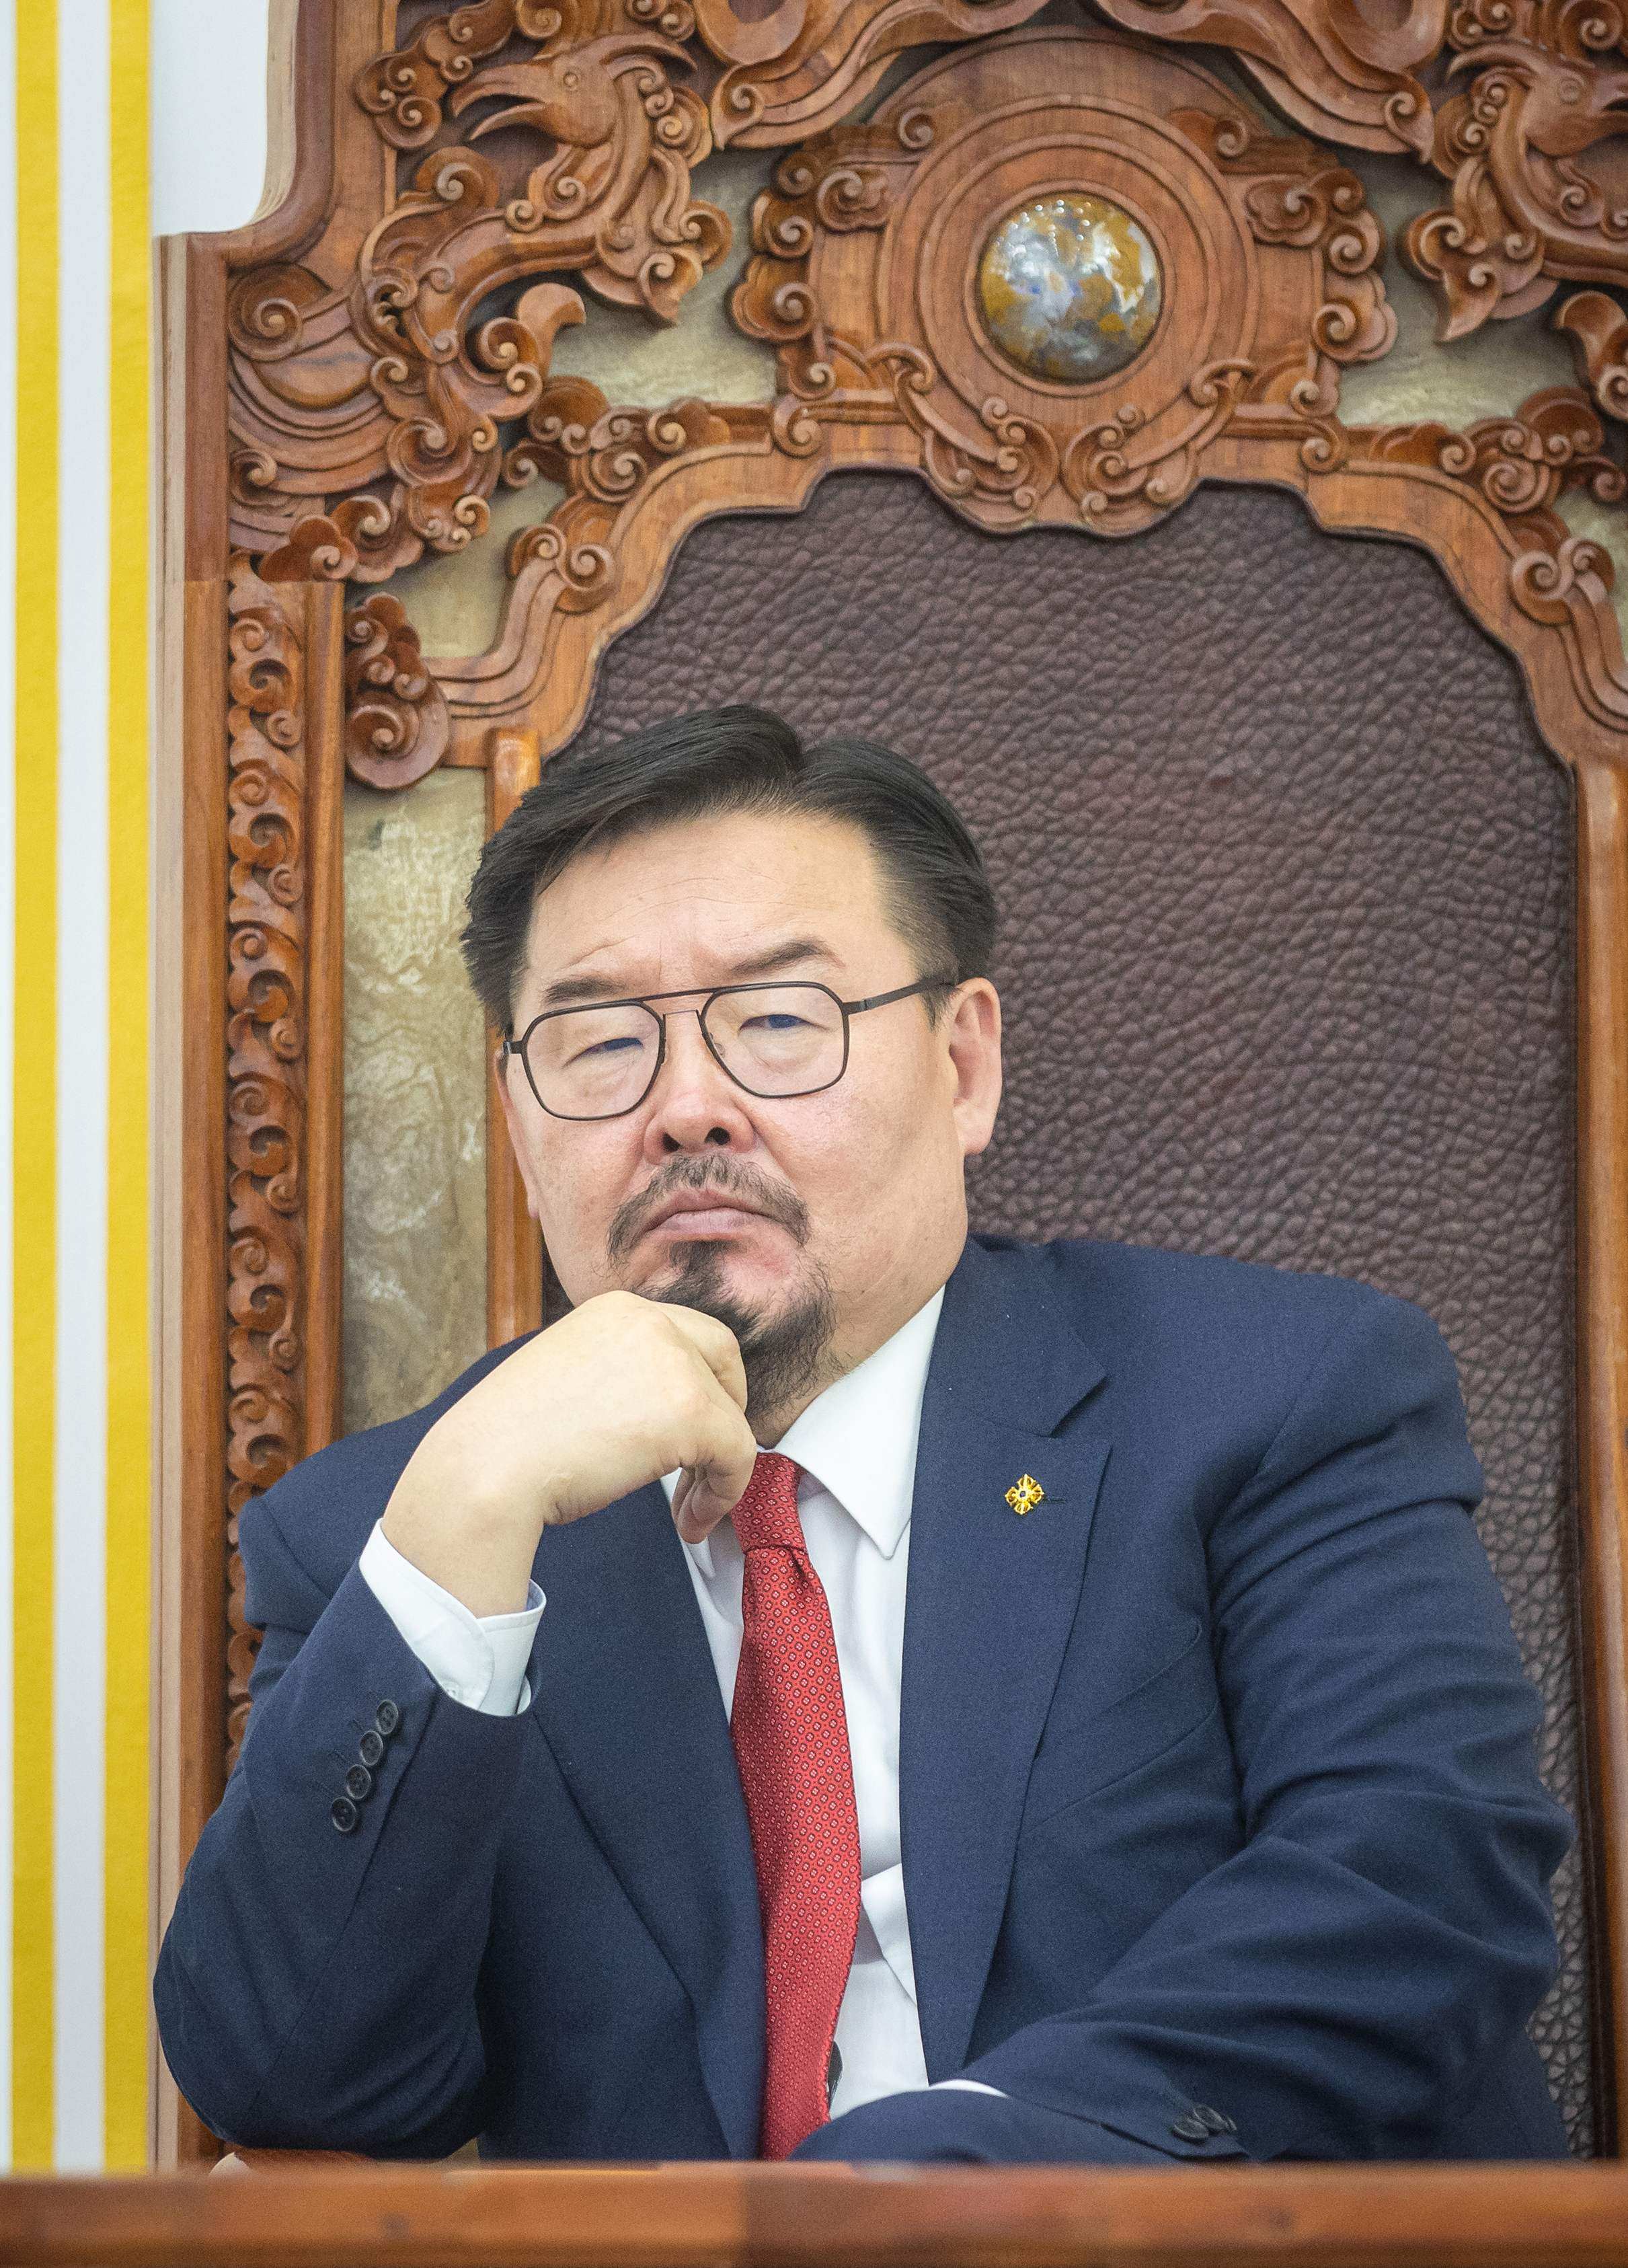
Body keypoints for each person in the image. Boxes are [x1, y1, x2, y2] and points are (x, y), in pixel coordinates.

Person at [155, 704, 1573, 2165]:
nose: (683, 1108)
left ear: (961, 1067)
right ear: (516, 1115)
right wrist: (457, 1540)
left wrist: (914, 2194)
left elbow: (1414, 1890)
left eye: (776, 1021)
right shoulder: (398, 1533)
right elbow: (287, 2082)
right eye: (594, 1042)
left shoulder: (1270, 1399)